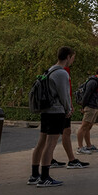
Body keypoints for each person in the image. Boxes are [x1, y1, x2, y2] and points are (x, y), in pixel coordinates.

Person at [29, 46, 75, 187]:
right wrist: (68, 108)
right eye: (73, 57)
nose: (73, 60)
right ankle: (45, 177)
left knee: (41, 142)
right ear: (68, 56)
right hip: (56, 111)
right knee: (51, 143)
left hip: (46, 110)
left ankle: (34, 174)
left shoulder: (50, 70)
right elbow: (64, 94)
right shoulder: (61, 73)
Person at [76, 66, 98, 155]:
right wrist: (83, 106)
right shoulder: (93, 82)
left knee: (88, 127)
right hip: (90, 106)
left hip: (94, 106)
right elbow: (86, 95)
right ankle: (80, 147)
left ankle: (89, 145)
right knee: (84, 127)